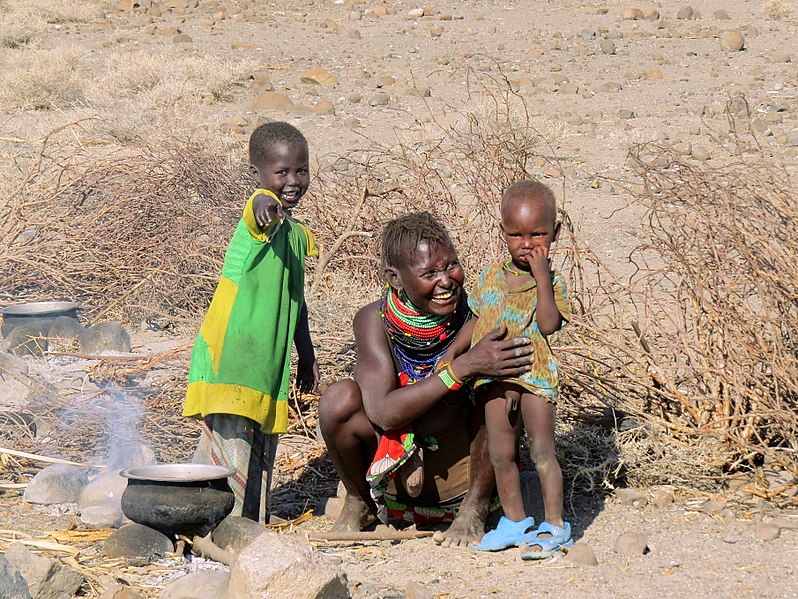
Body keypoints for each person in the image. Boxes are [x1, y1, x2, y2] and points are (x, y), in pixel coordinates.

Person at [318, 212, 534, 547]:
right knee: (338, 399)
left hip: (460, 471)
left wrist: (478, 369)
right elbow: (383, 413)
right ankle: (361, 502)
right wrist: (461, 369)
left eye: (451, 265)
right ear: (394, 277)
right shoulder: (373, 321)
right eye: (429, 273)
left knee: (502, 386)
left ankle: (474, 509)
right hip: (397, 473)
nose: (446, 281)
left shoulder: (478, 312)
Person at [183, 121, 320, 524]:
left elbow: (297, 300)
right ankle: (214, 523)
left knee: (261, 445)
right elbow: (259, 209)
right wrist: (264, 203)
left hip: (267, 362)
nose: (293, 181)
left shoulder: (295, 235)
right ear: (256, 175)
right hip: (234, 356)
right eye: (281, 173)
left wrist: (307, 353)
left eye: (301, 170)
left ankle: (249, 524)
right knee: (230, 446)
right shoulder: (259, 220)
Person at [467, 180, 573, 558]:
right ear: (502, 231)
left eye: (538, 234)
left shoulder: (553, 282)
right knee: (501, 453)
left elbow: (548, 325)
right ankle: (514, 522)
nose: (527, 244)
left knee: (543, 451)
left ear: (555, 232)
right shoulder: (488, 277)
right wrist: (453, 361)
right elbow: (475, 322)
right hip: (495, 378)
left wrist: (542, 277)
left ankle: (555, 525)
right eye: (516, 234)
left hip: (534, 377)